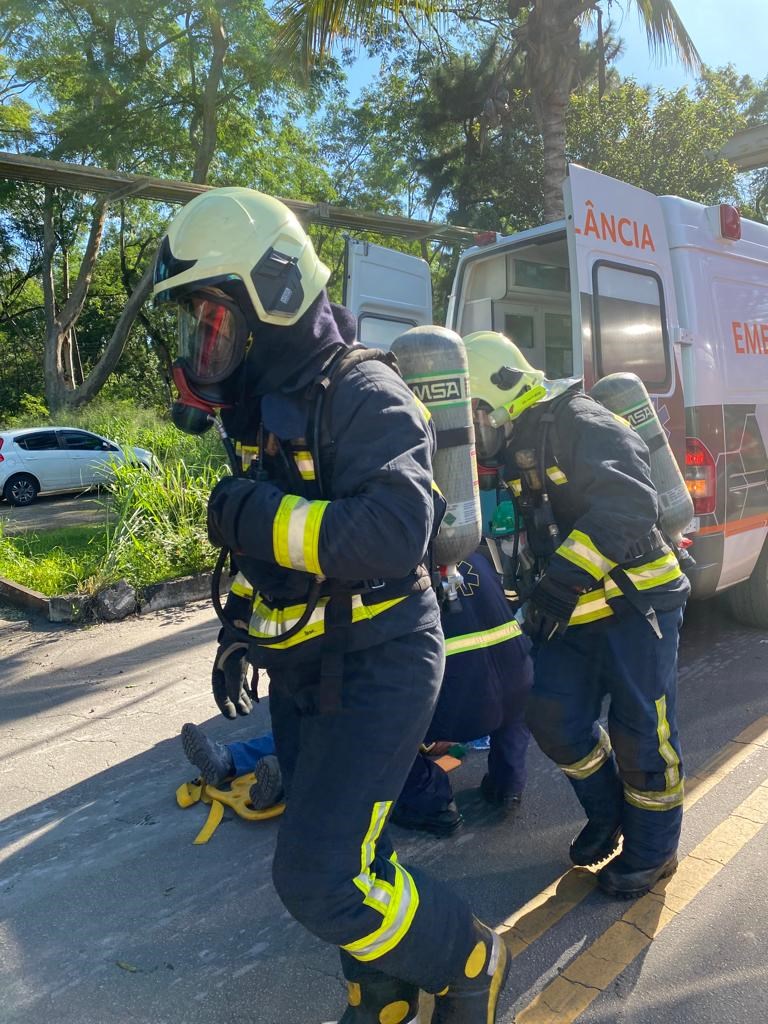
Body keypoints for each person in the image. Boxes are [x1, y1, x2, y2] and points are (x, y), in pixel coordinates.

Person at [153, 187, 509, 1024]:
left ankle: (468, 955)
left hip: (381, 665)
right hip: (309, 667)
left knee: (316, 876)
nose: (204, 348)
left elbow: (392, 530)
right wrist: (240, 629)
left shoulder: (361, 392)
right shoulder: (267, 405)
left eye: (212, 322)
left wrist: (260, 517)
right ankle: (378, 997)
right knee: (360, 850)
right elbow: (278, 562)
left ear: (272, 296)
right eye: (195, 328)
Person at [464, 330, 689, 900]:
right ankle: (610, 812)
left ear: (500, 391)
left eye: (474, 411)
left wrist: (560, 584)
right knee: (550, 713)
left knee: (641, 727)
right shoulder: (520, 436)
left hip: (638, 600)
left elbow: (634, 501)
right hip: (577, 607)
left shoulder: (577, 421)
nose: (471, 426)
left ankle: (653, 849)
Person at [180, 550, 533, 836]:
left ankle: (433, 803)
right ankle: (508, 787)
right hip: (514, 692)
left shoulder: (394, 562)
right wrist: (506, 785)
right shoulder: (475, 554)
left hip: (438, 703)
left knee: (356, 720)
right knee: (508, 705)